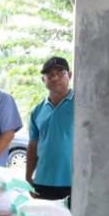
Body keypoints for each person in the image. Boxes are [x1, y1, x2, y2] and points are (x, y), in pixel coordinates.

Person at [26, 56, 74, 203]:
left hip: (73, 181)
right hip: (42, 181)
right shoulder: (37, 111)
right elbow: (33, 144)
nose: (55, 77)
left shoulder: (82, 105)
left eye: (60, 73)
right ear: (43, 80)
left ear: (70, 75)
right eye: (49, 74)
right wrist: (28, 176)